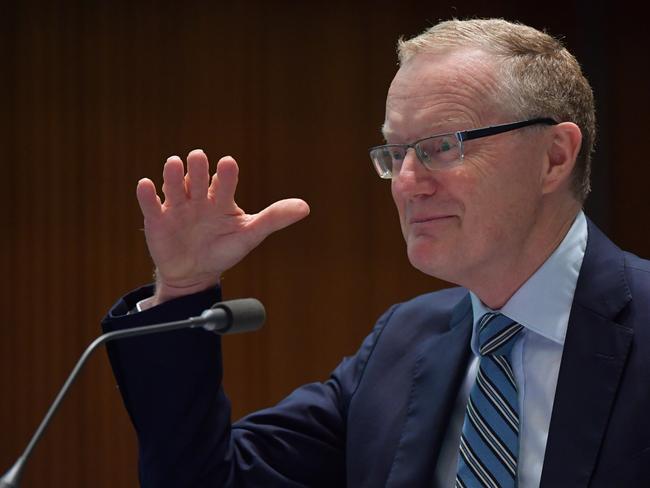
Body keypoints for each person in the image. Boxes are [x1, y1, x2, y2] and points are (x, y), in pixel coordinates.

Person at [102, 18, 650, 487]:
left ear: (554, 157)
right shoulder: (403, 343)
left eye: (440, 147)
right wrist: (183, 287)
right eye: (395, 152)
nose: (407, 183)